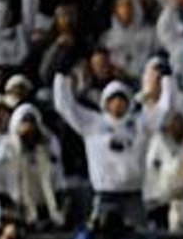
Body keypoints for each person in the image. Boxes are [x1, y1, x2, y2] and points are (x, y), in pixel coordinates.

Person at [52, 72, 175, 227]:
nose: (117, 103)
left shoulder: (140, 123)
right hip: (105, 196)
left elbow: (165, 111)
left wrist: (167, 80)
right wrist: (61, 79)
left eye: (122, 99)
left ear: (128, 102)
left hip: (133, 196)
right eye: (113, 99)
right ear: (106, 102)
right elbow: (65, 107)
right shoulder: (92, 123)